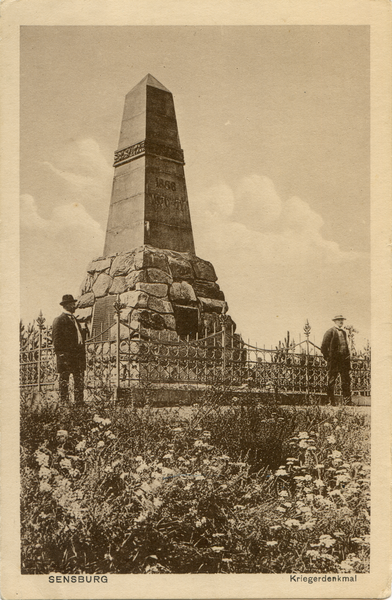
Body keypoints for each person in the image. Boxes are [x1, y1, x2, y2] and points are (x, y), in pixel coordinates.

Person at [52, 294, 87, 405]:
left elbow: (78, 337)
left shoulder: (75, 320)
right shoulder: (59, 320)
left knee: (79, 379)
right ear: (66, 305)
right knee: (64, 380)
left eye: (74, 303)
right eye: (72, 304)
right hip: (66, 356)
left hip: (77, 356)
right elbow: (57, 341)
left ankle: (79, 402)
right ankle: (64, 403)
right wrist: (61, 355)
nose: (74, 306)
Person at [321, 315, 351, 406]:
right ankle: (330, 401)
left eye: (342, 320)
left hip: (344, 361)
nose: (341, 322)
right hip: (334, 361)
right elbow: (323, 347)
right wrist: (329, 358)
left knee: (346, 380)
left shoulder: (344, 333)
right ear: (335, 321)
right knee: (332, 380)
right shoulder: (330, 332)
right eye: (338, 320)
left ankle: (347, 401)